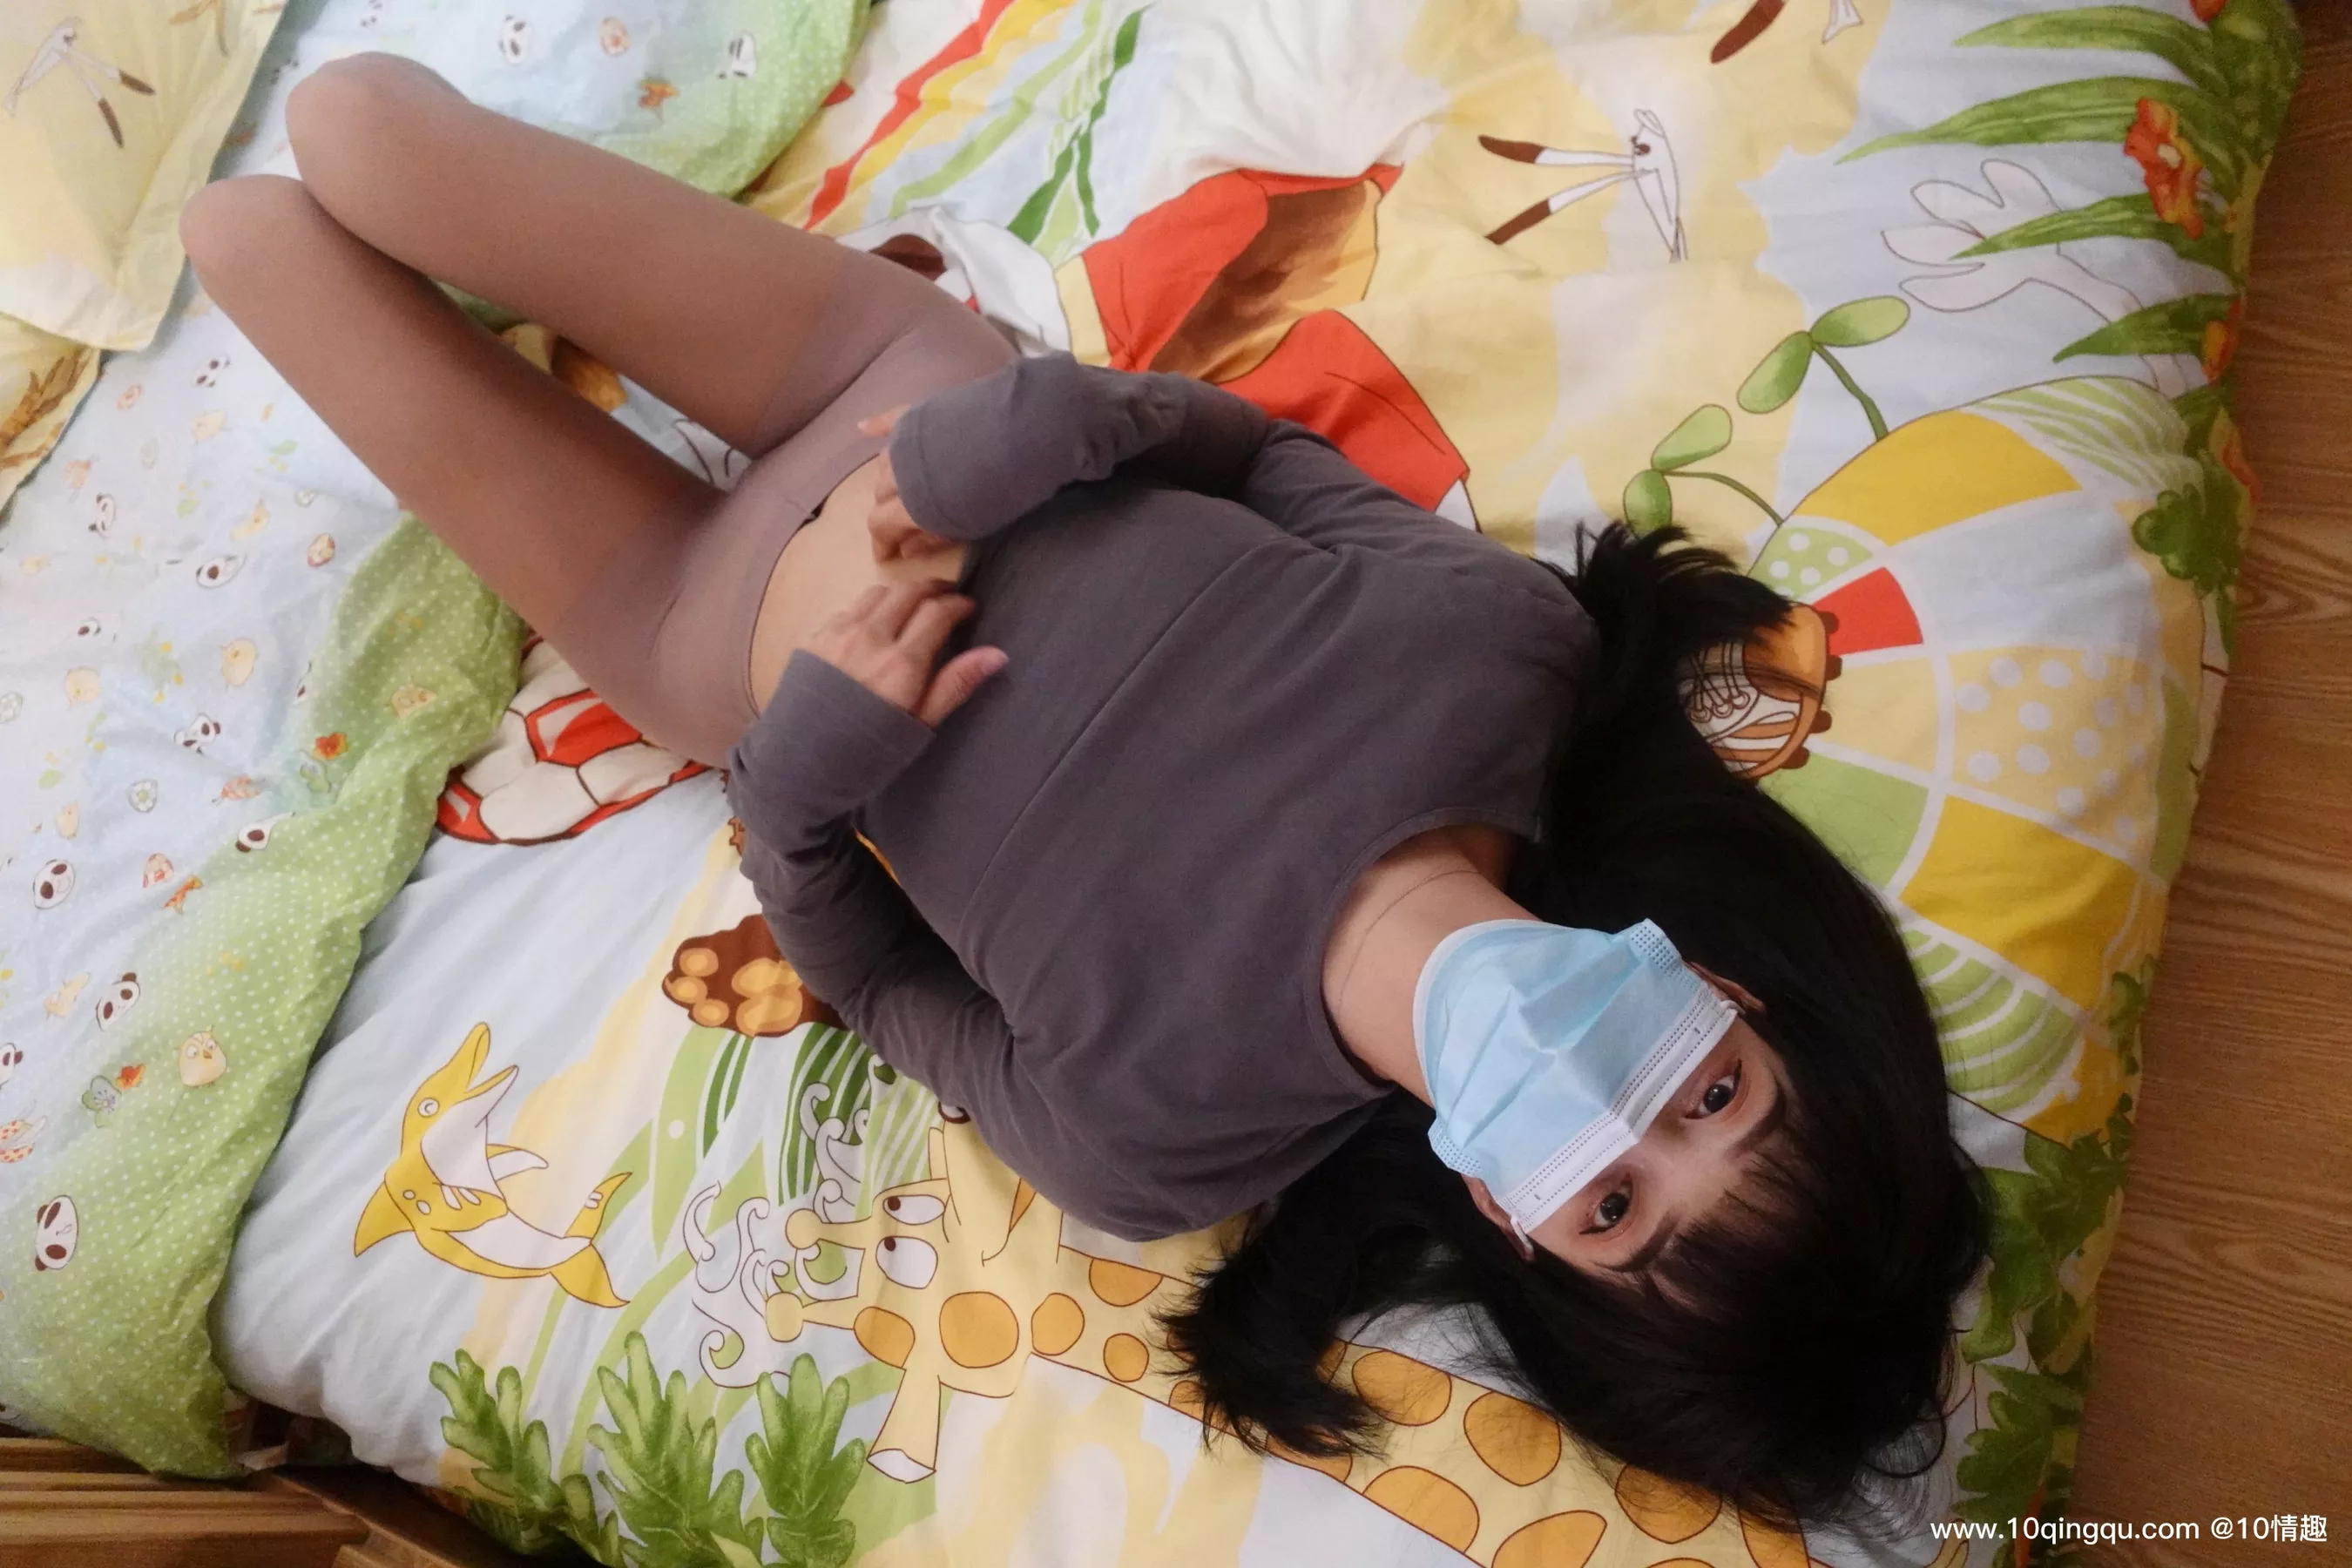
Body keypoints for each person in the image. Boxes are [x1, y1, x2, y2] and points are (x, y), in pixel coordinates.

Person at [181, 54, 1988, 1524]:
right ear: (1723, 990)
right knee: (353, 128)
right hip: (881, 378)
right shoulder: (1511, 660)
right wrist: (1054, 425)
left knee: (242, 235)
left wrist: (809, 763)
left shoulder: (1154, 1141)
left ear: (1515, 1227)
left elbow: (866, 970)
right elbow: (1257, 453)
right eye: (1712, 1096)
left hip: (703, 633)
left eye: (1614, 1209)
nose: (1613, 1109)